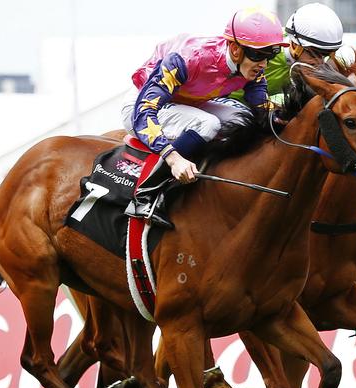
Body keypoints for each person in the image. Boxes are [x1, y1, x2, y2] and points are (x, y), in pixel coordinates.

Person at [121, 7, 288, 228]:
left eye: (271, 54)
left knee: (242, 117)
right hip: (141, 107)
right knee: (208, 123)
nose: (264, 64)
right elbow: (144, 111)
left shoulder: (253, 68)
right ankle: (147, 193)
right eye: (259, 55)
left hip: (185, 103)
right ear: (235, 49)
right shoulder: (188, 58)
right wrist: (174, 158)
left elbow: (261, 109)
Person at [230, 2, 344, 108]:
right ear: (294, 45)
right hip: (231, 104)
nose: (320, 62)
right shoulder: (264, 51)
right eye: (315, 53)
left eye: (326, 54)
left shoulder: (326, 61)